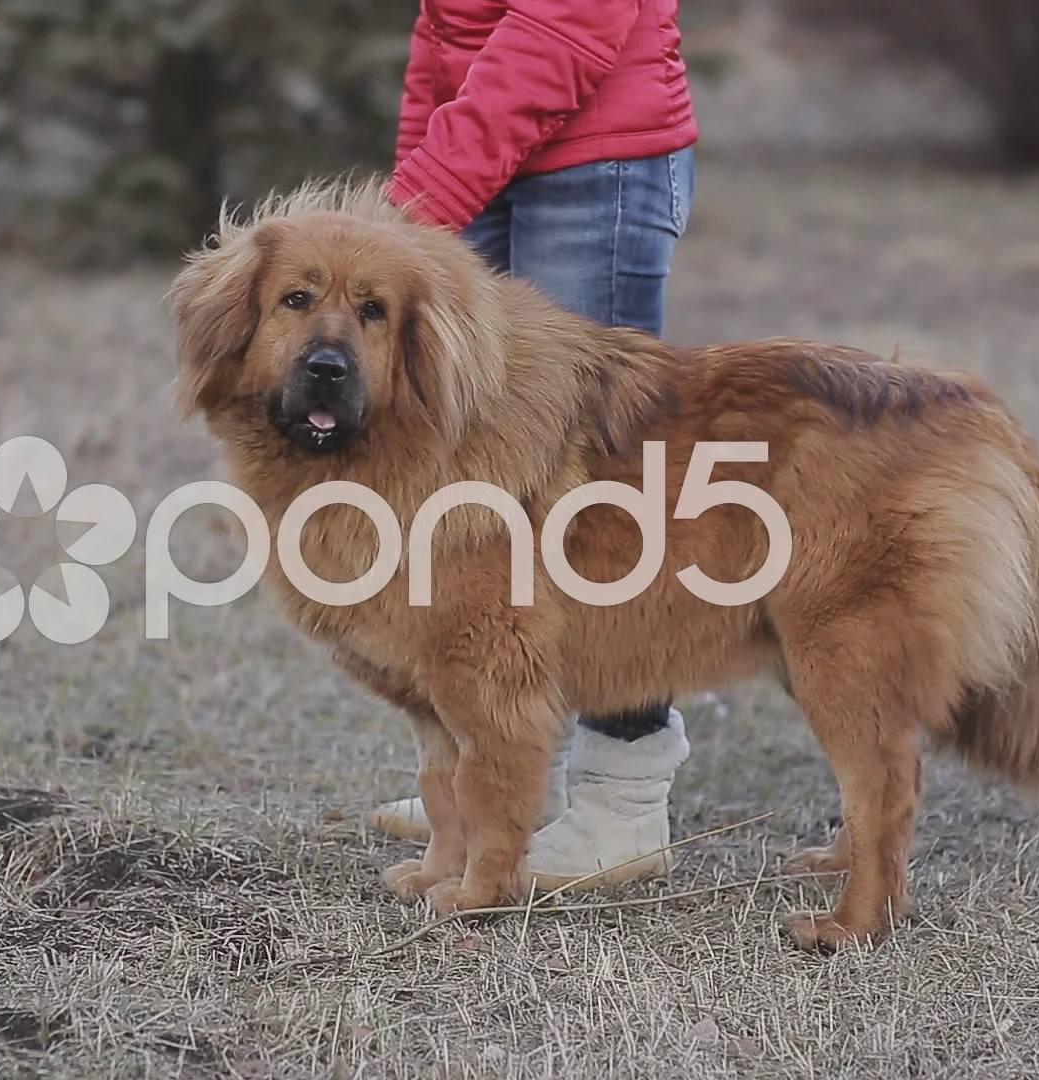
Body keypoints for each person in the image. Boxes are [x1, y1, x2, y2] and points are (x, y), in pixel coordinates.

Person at [375, 0, 703, 889]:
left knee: (601, 497)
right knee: (462, 488)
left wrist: (422, 201)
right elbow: (446, 29)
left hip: (598, 160)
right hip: (485, 155)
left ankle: (621, 804)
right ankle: (485, 775)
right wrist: (409, 197)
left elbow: (566, 25)